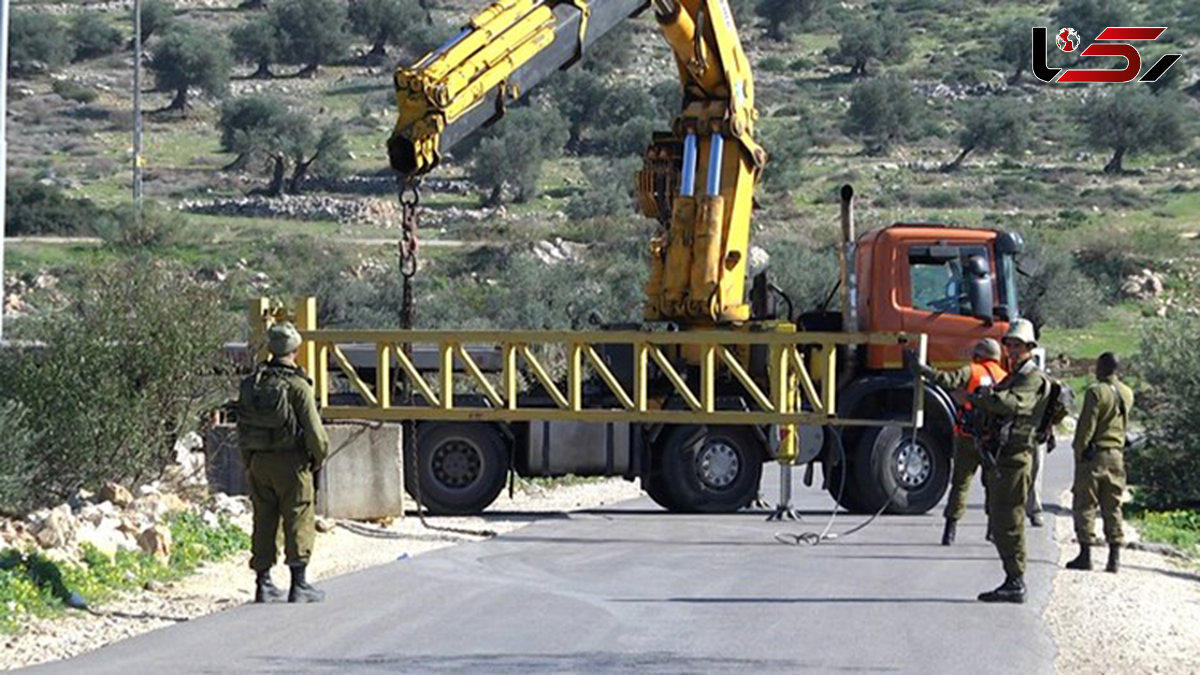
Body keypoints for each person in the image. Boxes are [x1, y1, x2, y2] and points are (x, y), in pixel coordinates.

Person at [237, 322, 329, 603]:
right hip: (291, 463)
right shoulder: (298, 386)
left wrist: (249, 461)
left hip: (258, 462)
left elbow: (241, 427)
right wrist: (317, 459)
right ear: (296, 351)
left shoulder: (251, 384)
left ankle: (263, 583)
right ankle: (299, 585)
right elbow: (316, 434)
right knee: (299, 516)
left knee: (263, 519)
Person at [972, 318, 1053, 604]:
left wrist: (988, 397)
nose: (1011, 350)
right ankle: (1012, 577)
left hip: (1018, 456)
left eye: (1017, 345)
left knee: (1011, 518)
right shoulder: (1014, 374)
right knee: (1000, 515)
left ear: (1030, 347)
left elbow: (1013, 404)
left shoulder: (1031, 378)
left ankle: (1015, 580)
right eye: (1009, 344)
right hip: (1005, 454)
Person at [910, 339, 1007, 546]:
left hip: (966, 436)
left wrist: (922, 369)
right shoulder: (1004, 377)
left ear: (978, 355)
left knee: (960, 484)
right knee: (993, 486)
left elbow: (945, 380)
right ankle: (992, 531)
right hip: (991, 441)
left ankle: (950, 532)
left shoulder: (971, 370)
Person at [1067, 352, 1134, 573]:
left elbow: (1087, 426)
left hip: (1095, 455)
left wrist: (1079, 452)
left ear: (1101, 368)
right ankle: (1114, 556)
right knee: (1112, 504)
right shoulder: (1127, 393)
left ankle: (1085, 554)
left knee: (1085, 503)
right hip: (1117, 454)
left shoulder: (1096, 392)